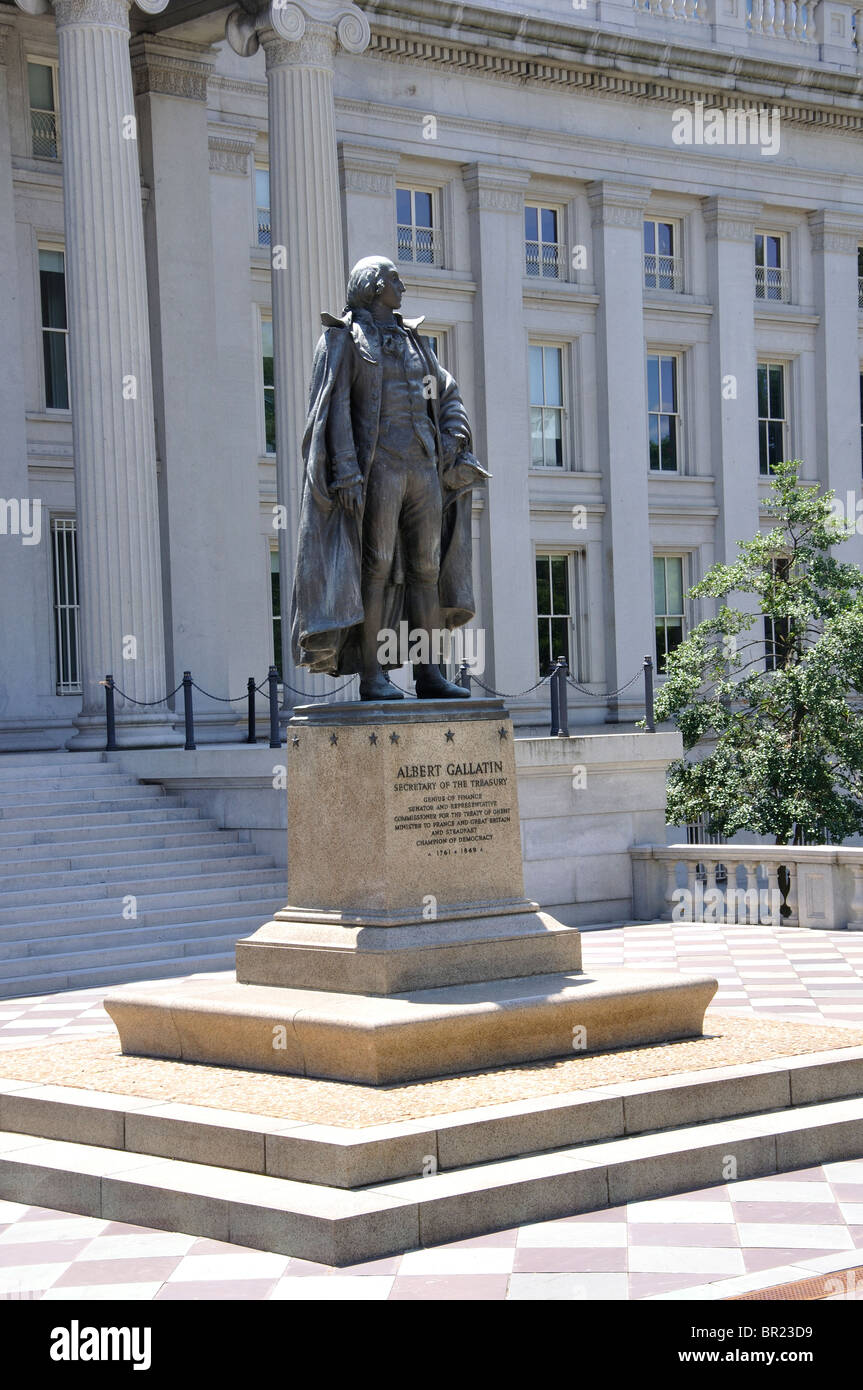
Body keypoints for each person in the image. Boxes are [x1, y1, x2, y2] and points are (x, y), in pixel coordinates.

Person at [291, 255, 488, 700]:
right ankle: (373, 674)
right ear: (375, 286)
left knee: (427, 570)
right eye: (395, 280)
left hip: (423, 468)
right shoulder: (344, 340)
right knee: (375, 567)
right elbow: (334, 408)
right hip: (377, 468)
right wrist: (344, 469)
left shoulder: (416, 344)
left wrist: (455, 432)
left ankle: (429, 674)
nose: (403, 287)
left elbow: (444, 393)